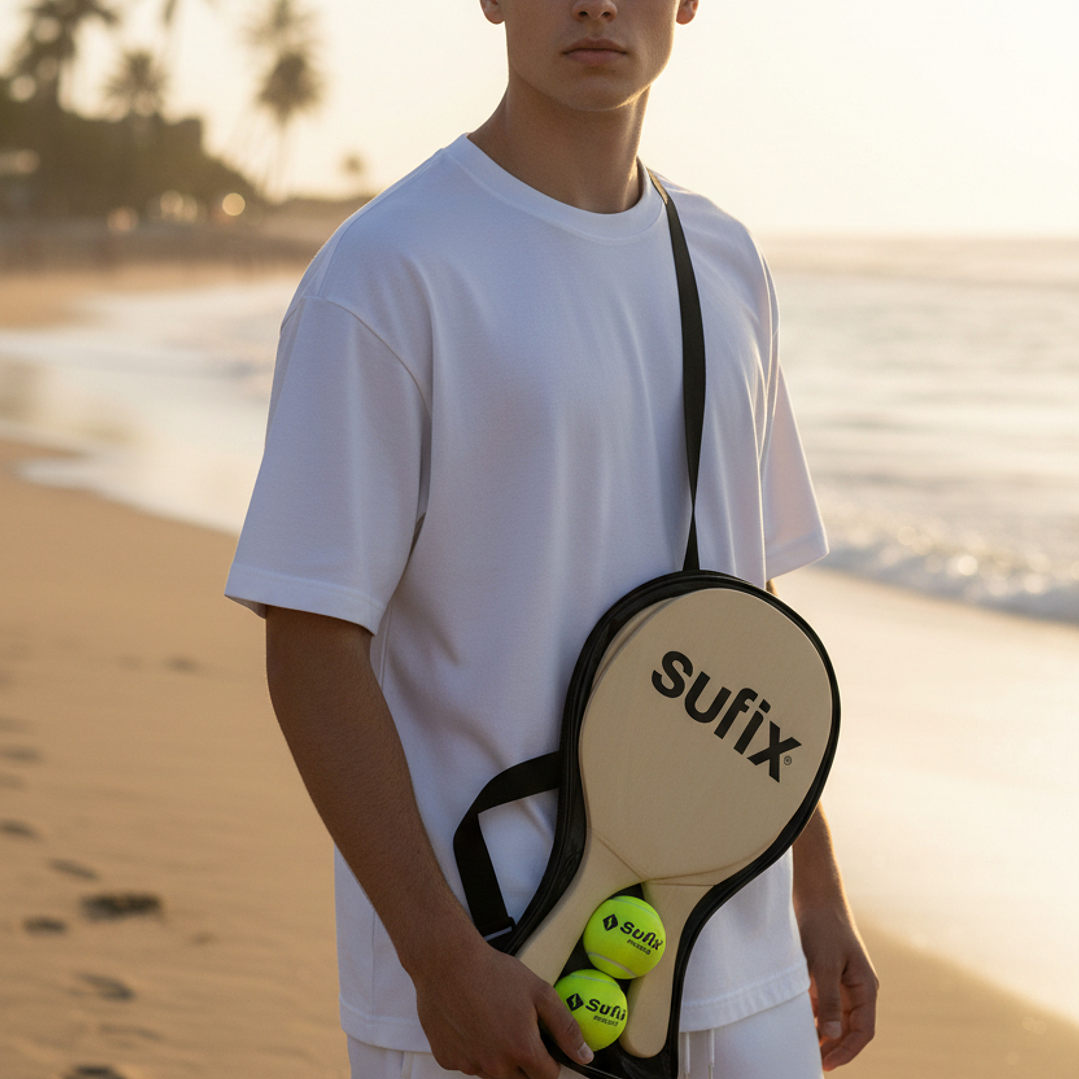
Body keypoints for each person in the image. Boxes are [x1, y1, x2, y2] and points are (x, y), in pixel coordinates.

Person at [225, 1, 878, 1077]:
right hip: (500, 970)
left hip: (737, 955)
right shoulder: (388, 269)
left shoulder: (724, 261)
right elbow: (309, 639)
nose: (595, 5)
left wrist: (812, 881)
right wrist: (440, 961)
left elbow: (741, 613)